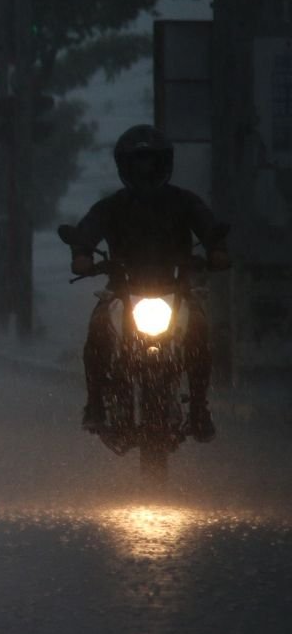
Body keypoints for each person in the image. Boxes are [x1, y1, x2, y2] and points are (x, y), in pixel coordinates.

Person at [67, 125, 229, 441]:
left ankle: (199, 407)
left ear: (163, 163)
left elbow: (208, 227)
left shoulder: (184, 202)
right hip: (122, 290)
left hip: (176, 288)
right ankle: (95, 403)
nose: (145, 169)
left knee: (198, 329)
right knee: (98, 326)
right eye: (137, 162)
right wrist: (82, 255)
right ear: (125, 166)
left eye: (151, 161)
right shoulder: (112, 206)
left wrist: (217, 250)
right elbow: (87, 231)